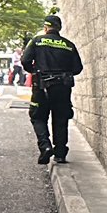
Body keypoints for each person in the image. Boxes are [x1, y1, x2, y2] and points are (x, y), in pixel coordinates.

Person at [21, 13, 84, 165]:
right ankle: (60, 153)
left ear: (45, 27)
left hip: (42, 86)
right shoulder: (69, 45)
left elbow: (25, 60)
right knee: (61, 118)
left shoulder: (37, 41)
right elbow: (77, 68)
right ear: (59, 28)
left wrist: (35, 71)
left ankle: (45, 146)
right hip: (62, 87)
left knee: (38, 116)